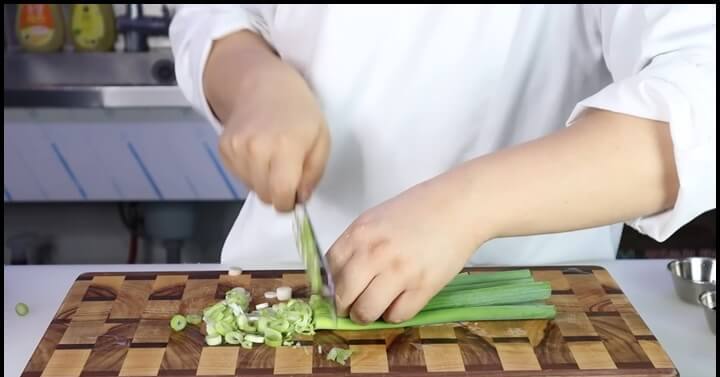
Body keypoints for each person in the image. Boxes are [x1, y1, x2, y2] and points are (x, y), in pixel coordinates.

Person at [170, 5, 716, 324]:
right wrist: (254, 80)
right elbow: (214, 16)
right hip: (276, 299)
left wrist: (468, 206)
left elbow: (702, 93)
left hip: (525, 324)